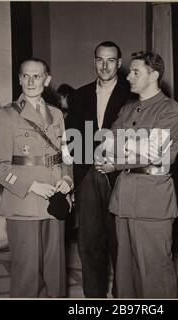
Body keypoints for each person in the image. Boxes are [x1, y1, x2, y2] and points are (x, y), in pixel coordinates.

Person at [97, 51, 178, 298]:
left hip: (152, 200)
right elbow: (106, 142)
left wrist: (121, 150)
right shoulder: (128, 108)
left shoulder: (170, 110)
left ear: (154, 74)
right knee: (125, 271)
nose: (129, 77)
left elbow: (154, 152)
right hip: (124, 197)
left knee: (154, 270)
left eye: (136, 72)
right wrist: (134, 144)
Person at [0, 58, 73, 297]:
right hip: (24, 203)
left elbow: (65, 155)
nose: (31, 81)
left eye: (37, 76)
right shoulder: (5, 115)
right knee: (27, 274)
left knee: (55, 273)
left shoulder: (57, 115)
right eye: (25, 76)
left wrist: (67, 180)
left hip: (55, 202)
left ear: (47, 80)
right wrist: (31, 185)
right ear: (19, 79)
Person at [66, 41, 134, 298]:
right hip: (87, 176)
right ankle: (93, 298)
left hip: (120, 176)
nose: (105, 65)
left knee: (120, 242)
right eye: (100, 60)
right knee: (89, 243)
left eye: (111, 60)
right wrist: (77, 176)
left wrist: (115, 162)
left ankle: (121, 297)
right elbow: (73, 137)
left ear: (119, 63)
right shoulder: (80, 94)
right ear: (94, 61)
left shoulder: (132, 94)